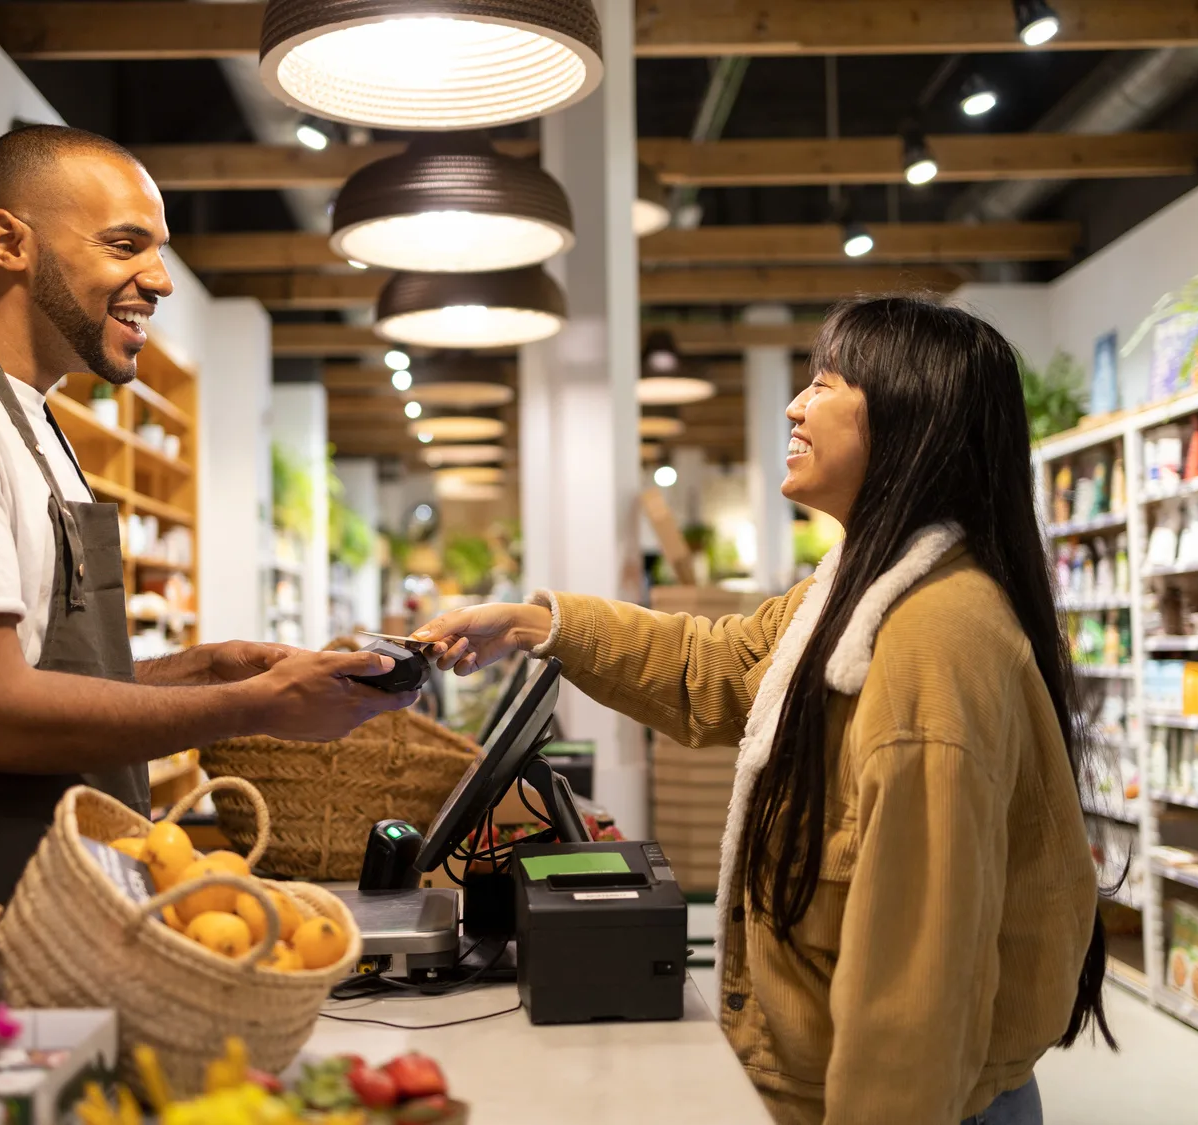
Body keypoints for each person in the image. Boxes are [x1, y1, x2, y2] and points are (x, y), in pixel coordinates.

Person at [414, 296, 1107, 1125]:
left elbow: (915, 993)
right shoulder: (855, 592)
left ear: (906, 419)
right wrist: (537, 624)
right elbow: (719, 664)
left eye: (824, 383)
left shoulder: (933, 641)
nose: (793, 404)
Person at [0, 125, 414, 906]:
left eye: (156, 249)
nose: (159, 280)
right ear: (7, 241)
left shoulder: (31, 422)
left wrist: (203, 667)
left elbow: (39, 674)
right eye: (126, 244)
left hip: (54, 884)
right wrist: (252, 706)